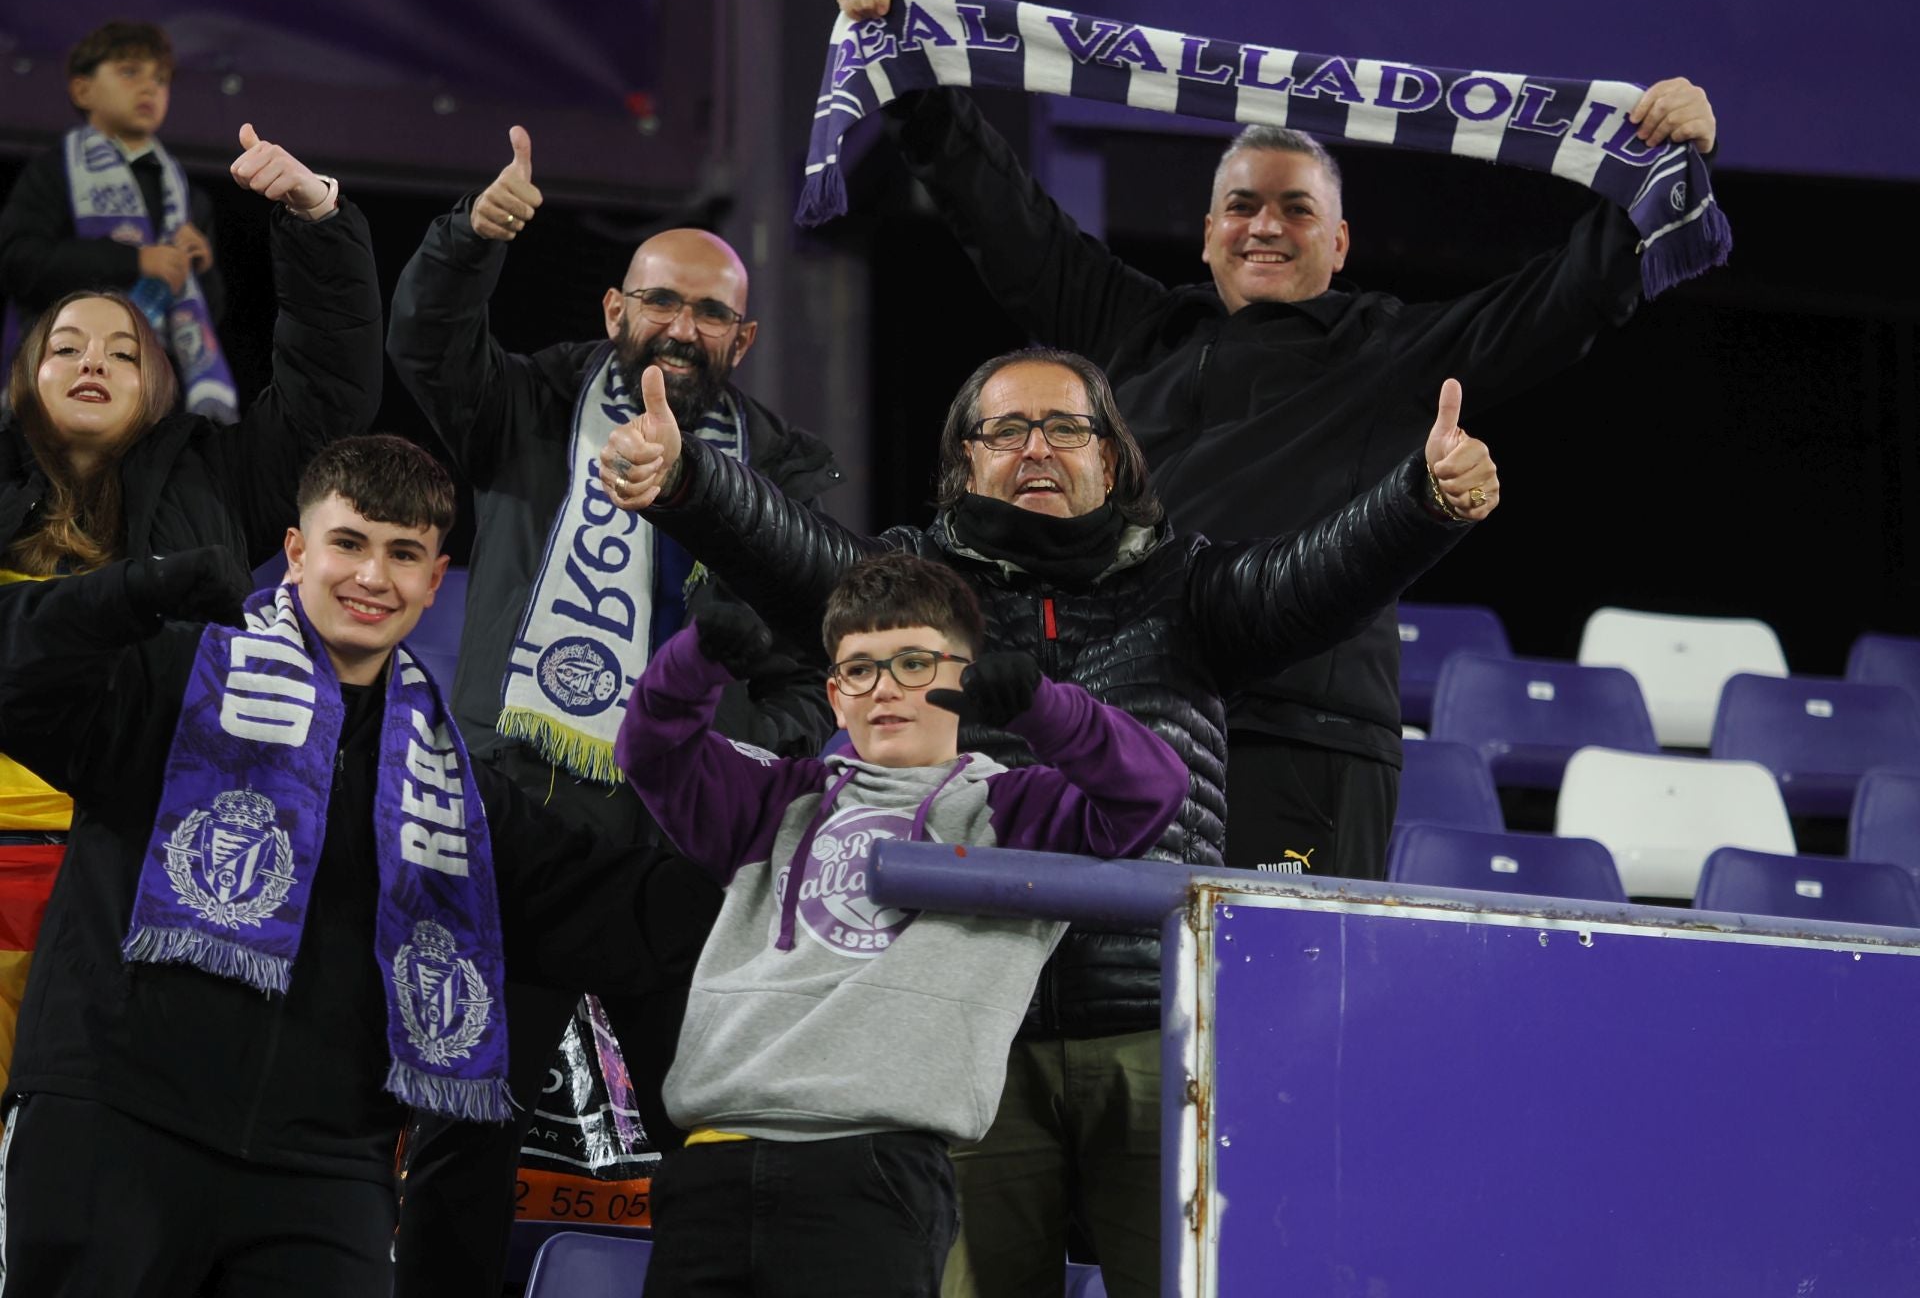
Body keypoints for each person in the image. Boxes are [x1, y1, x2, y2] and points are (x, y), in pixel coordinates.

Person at [601, 346, 1498, 1297]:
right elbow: (787, 547)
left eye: (1065, 428)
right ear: (965, 464)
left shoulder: (1190, 585)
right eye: (1005, 431)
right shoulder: (913, 592)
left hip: (1159, 1021)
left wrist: (1422, 501)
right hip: (961, 1042)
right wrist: (690, 479)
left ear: (1110, 461)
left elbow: (1320, 575)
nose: (1036, 448)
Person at [835, 0, 1717, 884]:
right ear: (1211, 228)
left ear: (1338, 244)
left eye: (1298, 209)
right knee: (1116, 996)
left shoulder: (1393, 351)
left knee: (1274, 1009)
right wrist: (914, 67)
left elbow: (1565, 299)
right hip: (1131, 724)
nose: (1267, 225)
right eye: (1245, 206)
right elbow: (1001, 218)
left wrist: (1660, 163)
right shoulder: (1134, 329)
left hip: (1307, 739)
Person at [0, 435, 717, 1298]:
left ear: (433, 579)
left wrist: (800, 864)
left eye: (404, 554)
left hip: (325, 1172)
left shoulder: (463, 794)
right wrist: (136, 589)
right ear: (297, 550)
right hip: (115, 1130)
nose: (373, 577)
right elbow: (16, 675)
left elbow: (611, 905)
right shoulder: (170, 675)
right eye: (349, 543)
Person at [385, 125, 842, 1297]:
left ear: (741, 337)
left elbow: (815, 657)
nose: (680, 327)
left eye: (707, 312)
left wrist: (758, 768)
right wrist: (468, 239)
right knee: (463, 1125)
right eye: (660, 301)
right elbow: (429, 346)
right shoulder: (528, 406)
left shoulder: (784, 476)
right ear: (613, 310)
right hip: (511, 826)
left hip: (676, 845)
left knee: (710, 1129)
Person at [616, 551, 1187, 1296]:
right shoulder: (773, 797)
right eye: (861, 669)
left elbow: (1154, 791)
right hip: (713, 1161)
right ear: (834, 693)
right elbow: (651, 755)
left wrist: (1047, 711)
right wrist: (691, 665)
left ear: (964, 676)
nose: (885, 688)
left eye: (915, 663)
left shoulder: (1016, 811)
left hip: (874, 1170)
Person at [0, 126, 380, 1089]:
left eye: (124, 353)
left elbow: (327, 392)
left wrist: (315, 218)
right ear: (26, 378)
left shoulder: (216, 478)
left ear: (161, 387)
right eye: (67, 347)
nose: (93, 362)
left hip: (135, 862)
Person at [0, 21, 237, 418]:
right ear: (82, 89)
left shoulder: (187, 197)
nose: (150, 88)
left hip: (157, 402)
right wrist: (135, 262)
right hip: (59, 391)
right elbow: (17, 263)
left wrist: (205, 270)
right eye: (130, 72)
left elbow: (209, 315)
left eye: (161, 80)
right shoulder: (53, 173)